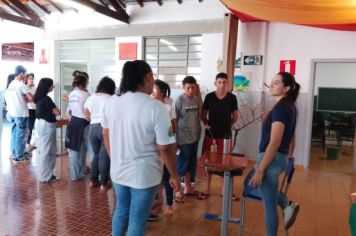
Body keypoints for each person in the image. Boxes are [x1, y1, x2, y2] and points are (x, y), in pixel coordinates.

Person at [102, 60, 180, 236]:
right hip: (144, 176)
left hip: (119, 171)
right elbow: (165, 147)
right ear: (147, 77)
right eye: (152, 75)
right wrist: (174, 175)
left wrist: (115, 159)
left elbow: (105, 134)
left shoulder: (113, 102)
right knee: (137, 219)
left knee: (121, 210)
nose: (153, 80)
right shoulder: (156, 107)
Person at [245, 72, 300, 236]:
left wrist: (261, 169)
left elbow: (275, 142)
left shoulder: (281, 108)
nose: (272, 84)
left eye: (277, 82)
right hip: (278, 158)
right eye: (272, 81)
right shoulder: (289, 106)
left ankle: (285, 204)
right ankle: (285, 203)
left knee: (268, 206)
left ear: (287, 88)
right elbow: (292, 136)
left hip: (271, 159)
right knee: (250, 186)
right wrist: (289, 155)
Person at [201, 72, 239, 196]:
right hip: (210, 134)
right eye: (220, 82)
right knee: (209, 162)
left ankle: (224, 189)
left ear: (228, 84)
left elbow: (235, 116)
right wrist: (205, 122)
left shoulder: (232, 98)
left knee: (225, 162)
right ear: (215, 83)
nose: (222, 85)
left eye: (225, 82)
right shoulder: (209, 97)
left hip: (225, 135)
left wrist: (228, 125)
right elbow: (203, 114)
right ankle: (207, 188)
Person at [151, 79, 179, 217]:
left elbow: (174, 128)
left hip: (166, 148)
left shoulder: (168, 108)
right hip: (153, 150)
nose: (151, 91)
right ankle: (153, 202)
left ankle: (169, 204)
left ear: (161, 92)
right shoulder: (148, 106)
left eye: (154, 89)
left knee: (168, 176)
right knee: (153, 177)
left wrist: (165, 141)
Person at [84, 76, 115, 190]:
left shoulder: (91, 98)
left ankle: (93, 181)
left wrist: (94, 118)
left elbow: (86, 115)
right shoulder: (111, 98)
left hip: (92, 127)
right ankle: (104, 182)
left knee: (96, 155)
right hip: (105, 128)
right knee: (104, 156)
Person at [175, 76, 202, 197]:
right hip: (183, 138)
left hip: (195, 137)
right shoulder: (179, 100)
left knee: (192, 163)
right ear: (183, 87)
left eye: (193, 87)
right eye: (188, 88)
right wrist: (175, 140)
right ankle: (178, 190)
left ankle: (188, 187)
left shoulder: (196, 99)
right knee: (182, 163)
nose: (191, 90)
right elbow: (174, 120)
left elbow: (198, 117)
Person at [4, 65, 33, 162]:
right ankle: (19, 156)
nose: (25, 76)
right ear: (21, 74)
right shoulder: (20, 84)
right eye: (24, 75)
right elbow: (31, 97)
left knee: (14, 134)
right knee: (21, 135)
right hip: (20, 113)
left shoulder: (11, 84)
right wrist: (28, 98)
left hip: (12, 113)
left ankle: (13, 154)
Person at [34, 78, 61, 183]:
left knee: (44, 149)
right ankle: (45, 176)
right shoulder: (46, 99)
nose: (53, 87)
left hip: (41, 124)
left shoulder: (38, 98)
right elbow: (57, 112)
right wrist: (53, 112)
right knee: (48, 151)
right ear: (47, 86)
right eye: (52, 85)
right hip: (47, 125)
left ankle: (45, 174)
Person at [65, 72, 90, 181]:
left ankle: (76, 174)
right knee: (85, 148)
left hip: (73, 122)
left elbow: (69, 111)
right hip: (83, 122)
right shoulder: (86, 94)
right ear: (84, 83)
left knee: (74, 149)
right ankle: (79, 173)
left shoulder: (71, 94)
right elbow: (89, 111)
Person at [25, 73, 37, 151]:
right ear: (26, 79)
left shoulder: (35, 88)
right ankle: (28, 144)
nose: (31, 80)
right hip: (28, 110)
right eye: (30, 78)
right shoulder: (24, 88)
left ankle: (33, 143)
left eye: (32, 78)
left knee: (36, 127)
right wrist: (32, 99)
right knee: (30, 127)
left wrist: (31, 99)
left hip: (36, 109)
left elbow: (37, 98)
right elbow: (24, 100)